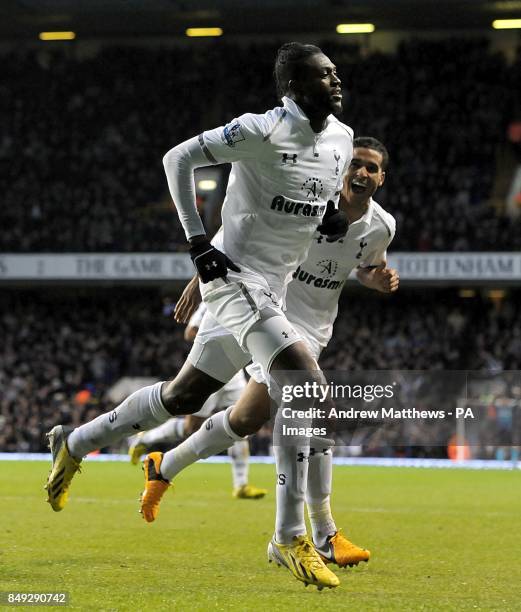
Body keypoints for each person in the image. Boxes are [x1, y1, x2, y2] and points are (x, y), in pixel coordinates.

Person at [46, 41, 353, 589]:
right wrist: (198, 245)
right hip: (234, 281)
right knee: (304, 384)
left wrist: (328, 217)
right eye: (322, 76)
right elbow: (177, 158)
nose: (335, 82)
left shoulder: (341, 139)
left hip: (272, 289)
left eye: (335, 74)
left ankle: (73, 443)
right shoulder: (259, 130)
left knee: (184, 396)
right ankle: (289, 538)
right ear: (292, 88)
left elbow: (318, 195)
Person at [141, 137, 398, 588]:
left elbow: (364, 264)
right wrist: (199, 277)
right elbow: (243, 235)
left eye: (371, 168)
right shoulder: (309, 201)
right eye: (355, 163)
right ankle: (322, 533)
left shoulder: (381, 227)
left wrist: (376, 278)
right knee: (313, 414)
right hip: (270, 316)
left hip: (314, 330)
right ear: (342, 170)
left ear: (381, 177)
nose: (361, 172)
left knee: (246, 418)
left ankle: (163, 466)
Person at [128, 302, 267, 500]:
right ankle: (146, 439)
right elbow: (190, 332)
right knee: (191, 428)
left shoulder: (251, 295)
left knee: (242, 423)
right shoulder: (213, 300)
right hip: (213, 369)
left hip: (235, 375)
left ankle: (241, 484)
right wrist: (222, 340)